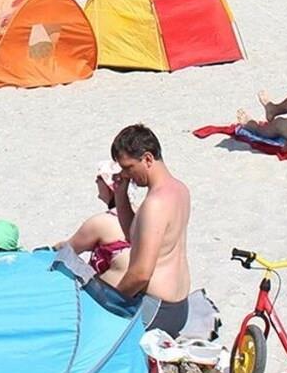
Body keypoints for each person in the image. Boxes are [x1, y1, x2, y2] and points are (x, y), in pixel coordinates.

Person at [58, 125, 194, 337]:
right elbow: (134, 236)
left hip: (156, 309)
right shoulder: (179, 189)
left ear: (147, 159)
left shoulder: (155, 204)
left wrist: (110, 303)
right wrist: (120, 194)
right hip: (179, 307)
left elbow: (141, 274)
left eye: (129, 167)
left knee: (89, 313)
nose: (126, 174)